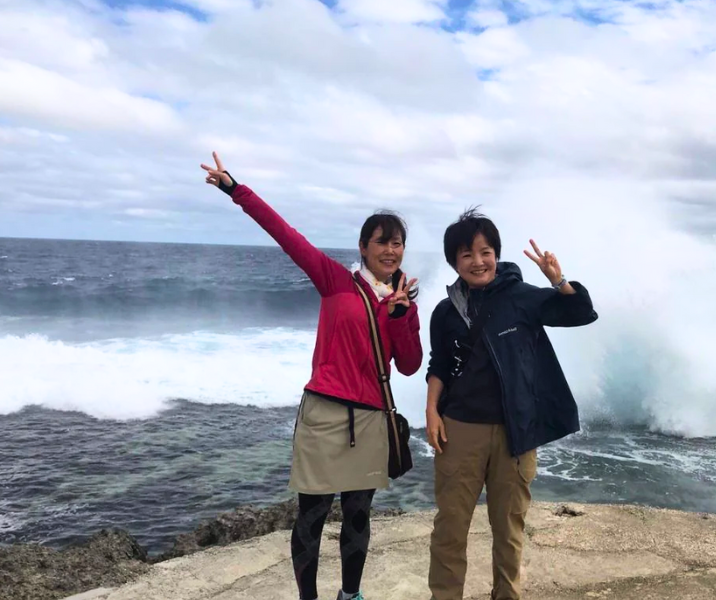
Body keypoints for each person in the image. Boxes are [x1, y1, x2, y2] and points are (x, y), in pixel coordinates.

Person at [202, 152, 423, 600]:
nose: (390, 250)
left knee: (358, 514)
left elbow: (409, 365)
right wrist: (235, 189)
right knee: (312, 515)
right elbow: (285, 233)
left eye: (397, 243)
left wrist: (401, 317)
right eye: (381, 242)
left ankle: (350, 595)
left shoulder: (402, 301)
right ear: (363, 247)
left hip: (371, 418)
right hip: (324, 414)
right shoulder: (334, 280)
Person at [425, 209, 598, 600]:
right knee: (450, 529)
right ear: (454, 261)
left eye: (485, 252)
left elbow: (579, 313)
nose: (478, 261)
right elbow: (439, 365)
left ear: (496, 255)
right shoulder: (446, 311)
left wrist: (558, 280)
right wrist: (431, 410)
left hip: (515, 432)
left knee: (509, 530)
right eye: (467, 254)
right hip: (459, 431)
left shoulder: (522, 298)